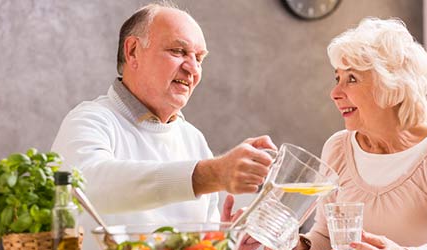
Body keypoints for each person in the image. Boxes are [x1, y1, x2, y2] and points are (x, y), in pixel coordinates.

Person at [51, 3, 276, 231]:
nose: (193, 69)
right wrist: (210, 174)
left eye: (199, 58)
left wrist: (225, 240)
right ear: (133, 52)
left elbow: (196, 247)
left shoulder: (193, 138)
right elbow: (86, 186)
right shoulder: (90, 120)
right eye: (178, 52)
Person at [291, 17, 427, 250]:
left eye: (352, 79)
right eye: (337, 78)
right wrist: (296, 245)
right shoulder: (337, 148)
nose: (335, 93)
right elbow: (325, 237)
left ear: (392, 86)